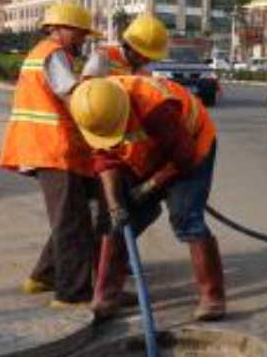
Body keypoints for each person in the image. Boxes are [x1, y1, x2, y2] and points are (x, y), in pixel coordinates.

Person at [70, 75, 226, 321]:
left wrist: (149, 187)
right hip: (147, 152)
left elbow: (183, 158)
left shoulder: (154, 107)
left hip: (192, 146)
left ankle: (213, 296)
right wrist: (114, 205)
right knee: (114, 223)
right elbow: (105, 159)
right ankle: (108, 296)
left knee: (185, 217)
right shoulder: (90, 108)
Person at [0, 2, 104, 308]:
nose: (83, 38)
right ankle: (71, 295)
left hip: (47, 149)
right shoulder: (53, 55)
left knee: (73, 217)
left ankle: (44, 275)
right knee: (72, 223)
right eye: (80, 32)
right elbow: (75, 100)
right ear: (58, 29)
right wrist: (93, 80)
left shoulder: (46, 54)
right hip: (53, 151)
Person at [82, 13, 168, 77]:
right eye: (143, 56)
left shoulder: (144, 69)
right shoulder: (103, 57)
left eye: (150, 58)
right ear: (130, 47)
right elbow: (86, 90)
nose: (146, 62)